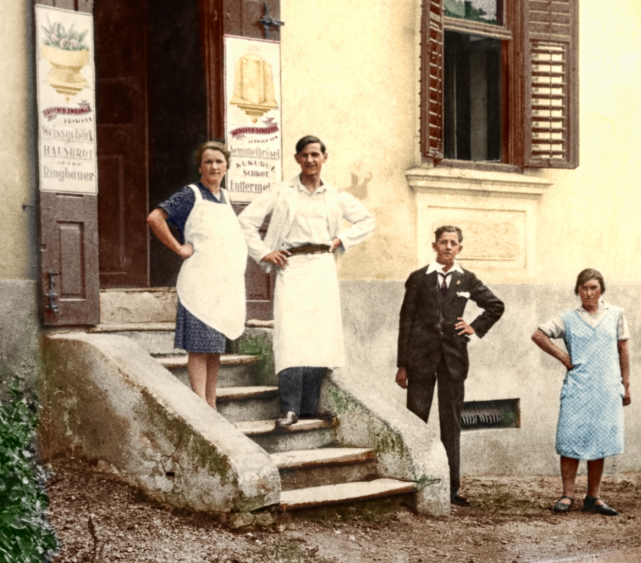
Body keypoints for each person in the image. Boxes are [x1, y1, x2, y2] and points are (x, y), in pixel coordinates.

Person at [238, 135, 374, 429]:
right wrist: (264, 252)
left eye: (316, 154)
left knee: (320, 334)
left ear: (324, 157)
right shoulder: (282, 192)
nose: (310, 160)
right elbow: (245, 221)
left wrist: (341, 240)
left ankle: (310, 406)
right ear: (297, 159)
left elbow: (367, 221)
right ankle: (289, 408)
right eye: (305, 155)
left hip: (322, 266)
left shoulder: (334, 195)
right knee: (292, 334)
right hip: (293, 266)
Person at [395, 226, 505, 507]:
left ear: (459, 248)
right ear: (434, 246)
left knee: (451, 422)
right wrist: (402, 364)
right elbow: (406, 321)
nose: (448, 247)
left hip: (453, 360)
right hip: (420, 359)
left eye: (453, 243)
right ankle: (413, 485)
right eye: (443, 242)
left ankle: (451, 488)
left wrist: (473, 327)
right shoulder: (418, 278)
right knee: (416, 418)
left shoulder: (466, 279)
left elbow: (495, 306)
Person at [147, 141, 247, 409]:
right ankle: (201, 406)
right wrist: (179, 248)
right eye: (208, 162)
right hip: (198, 284)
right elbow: (155, 218)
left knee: (214, 348)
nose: (214, 166)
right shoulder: (190, 194)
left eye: (219, 162)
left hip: (221, 285)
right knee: (199, 347)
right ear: (200, 167)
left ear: (226, 167)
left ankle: (211, 403)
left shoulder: (225, 197)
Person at [531, 268, 630, 516]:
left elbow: (623, 350)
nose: (589, 293)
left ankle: (593, 496)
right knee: (570, 438)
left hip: (606, 387)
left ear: (601, 290)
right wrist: (563, 356)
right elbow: (538, 335)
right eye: (584, 288)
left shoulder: (616, 315)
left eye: (593, 288)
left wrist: (625, 385)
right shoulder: (568, 318)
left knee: (599, 440)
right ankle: (567, 495)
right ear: (577, 291)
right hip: (578, 387)